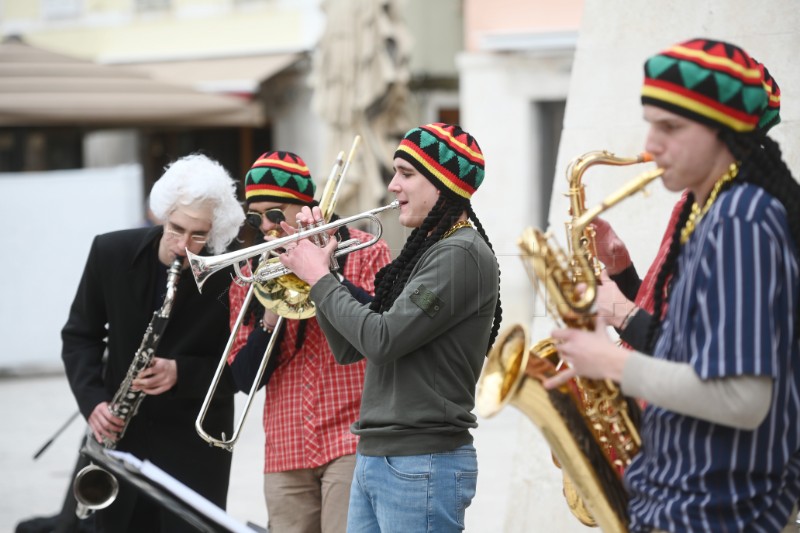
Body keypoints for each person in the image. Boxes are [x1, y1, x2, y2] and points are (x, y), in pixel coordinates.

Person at [545, 38, 800, 532]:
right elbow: (690, 346)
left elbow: (742, 399)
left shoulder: (741, 218)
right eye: (651, 123)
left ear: (722, 131)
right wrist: (622, 276)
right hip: (685, 499)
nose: (652, 144)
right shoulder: (711, 212)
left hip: (718, 511)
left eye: (670, 127)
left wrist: (612, 360)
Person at [280, 123, 502, 532]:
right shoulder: (428, 251)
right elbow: (350, 349)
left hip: (421, 464)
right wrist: (326, 272)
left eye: (406, 173)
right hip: (380, 456)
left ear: (442, 181)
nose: (392, 185)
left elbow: (381, 341)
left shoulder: (461, 254)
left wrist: (320, 279)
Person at [61, 153, 245, 533]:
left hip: (196, 444)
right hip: (120, 435)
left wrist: (183, 372)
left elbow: (246, 366)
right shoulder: (109, 252)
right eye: (176, 228)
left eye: (199, 235)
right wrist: (93, 401)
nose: (183, 245)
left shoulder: (233, 272)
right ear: (162, 213)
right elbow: (80, 335)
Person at [226, 150, 392, 533]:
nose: (266, 227)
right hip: (286, 447)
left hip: (352, 438)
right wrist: (271, 306)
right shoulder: (250, 273)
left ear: (305, 206)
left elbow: (380, 330)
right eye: (256, 216)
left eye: (275, 214)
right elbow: (243, 380)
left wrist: (321, 275)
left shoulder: (367, 249)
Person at [592, 59, 782, 352]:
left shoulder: (747, 220)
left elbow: (705, 358)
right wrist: (621, 267)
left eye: (671, 126)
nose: (652, 144)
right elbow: (669, 313)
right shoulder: (698, 201)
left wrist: (619, 312)